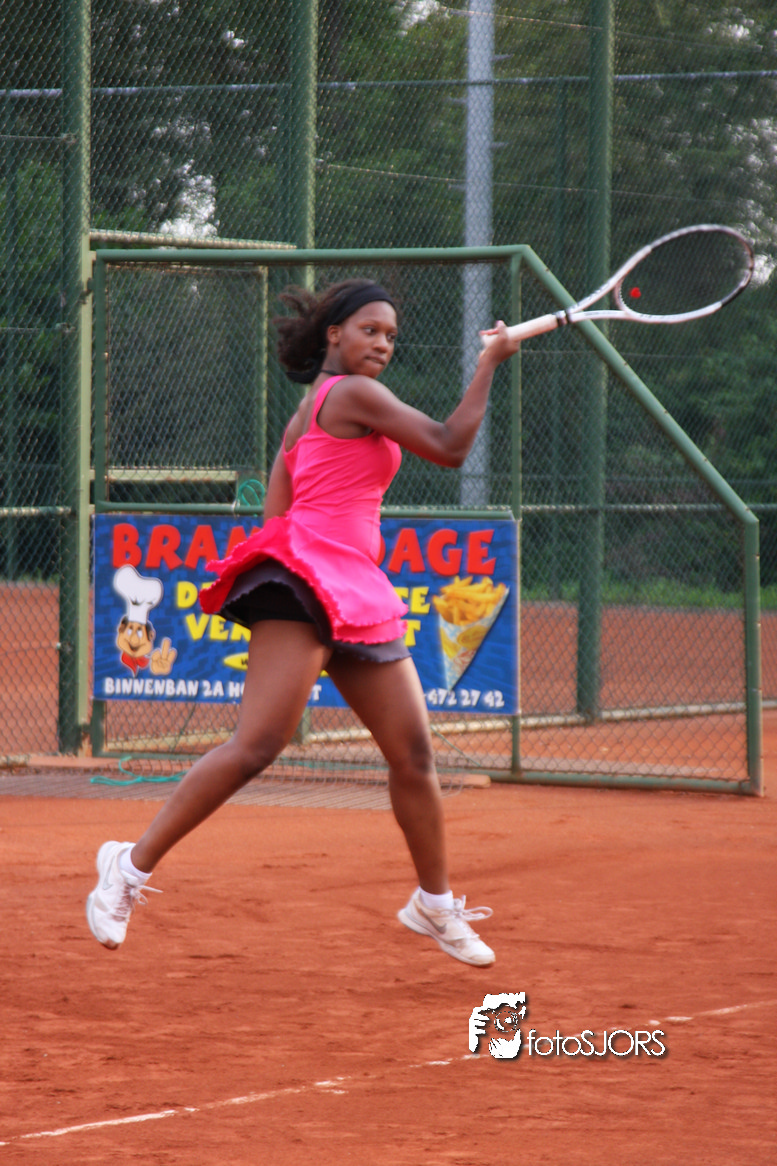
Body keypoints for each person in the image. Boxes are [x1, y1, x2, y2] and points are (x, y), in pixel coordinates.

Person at [86, 278, 520, 967]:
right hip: (308, 583)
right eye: (370, 330)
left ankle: (433, 904)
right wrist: (488, 363)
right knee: (257, 746)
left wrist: (328, 557)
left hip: (352, 588)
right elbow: (448, 445)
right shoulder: (351, 393)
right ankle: (127, 866)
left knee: (412, 754)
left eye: (391, 336)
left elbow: (276, 510)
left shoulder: (303, 416)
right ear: (334, 335)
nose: (383, 344)